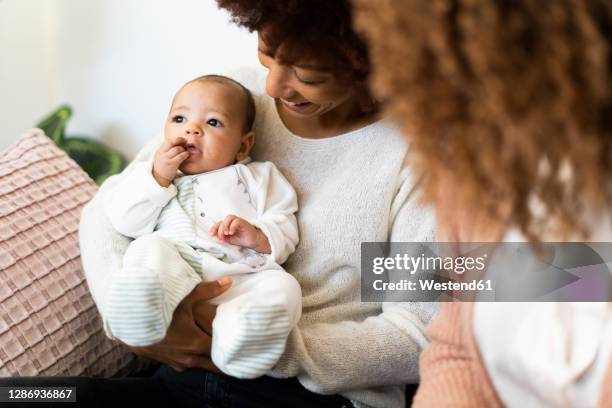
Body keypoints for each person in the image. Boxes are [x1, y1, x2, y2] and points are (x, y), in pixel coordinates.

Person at [69, 1, 436, 407]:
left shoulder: (420, 155)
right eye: (268, 49)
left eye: (309, 75)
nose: (275, 87)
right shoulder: (230, 96)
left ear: (378, 66)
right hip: (180, 381)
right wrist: (143, 328)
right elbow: (108, 210)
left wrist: (270, 347)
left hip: (308, 395)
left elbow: (418, 331)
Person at [352, 0, 612, 406]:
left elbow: (408, 321)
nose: (389, 89)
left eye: (439, 63)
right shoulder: (475, 178)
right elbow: (458, 352)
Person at [103, 74, 301, 380]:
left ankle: (243, 339)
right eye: (179, 118)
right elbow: (124, 222)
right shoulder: (151, 176)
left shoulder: (259, 176)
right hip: (174, 275)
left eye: (213, 123)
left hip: (239, 280)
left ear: (243, 145)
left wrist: (258, 235)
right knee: (147, 248)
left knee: (284, 287)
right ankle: (143, 306)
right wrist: (157, 177)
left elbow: (285, 224)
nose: (192, 129)